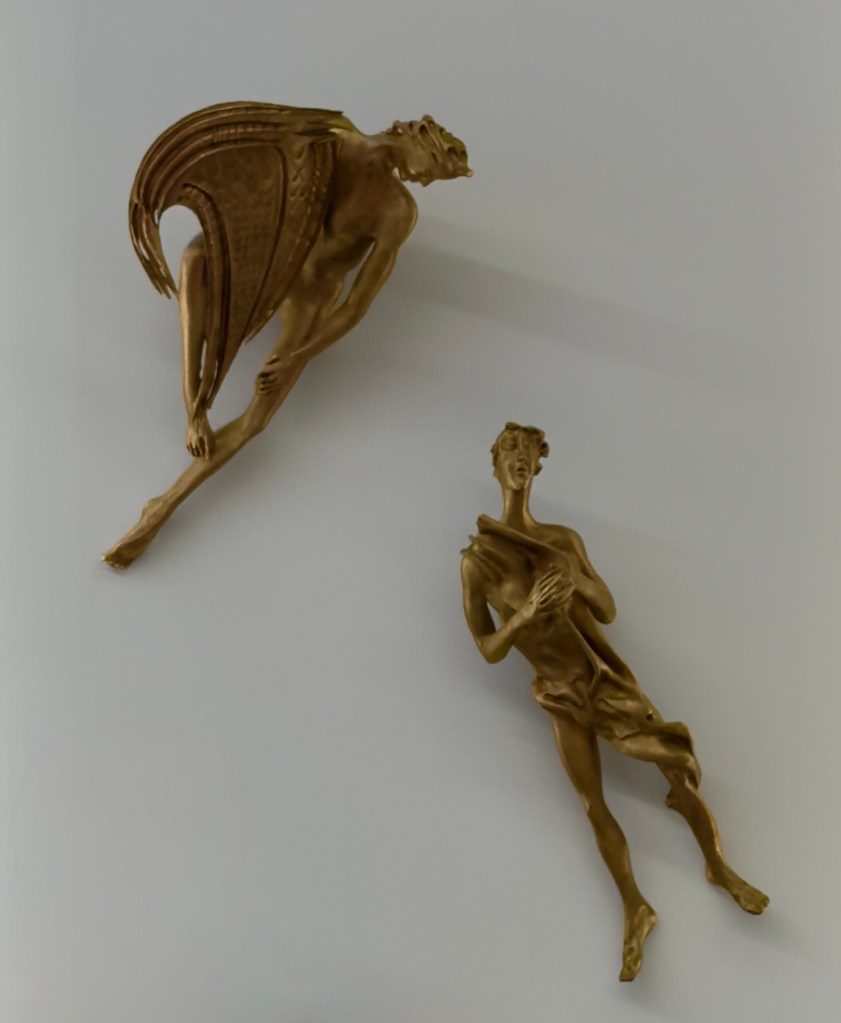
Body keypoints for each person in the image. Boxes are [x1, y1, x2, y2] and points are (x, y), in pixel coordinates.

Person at [460, 422, 768, 981]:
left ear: (538, 467)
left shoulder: (562, 540)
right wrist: (525, 615)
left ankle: (719, 867)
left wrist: (574, 580)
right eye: (510, 449)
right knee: (592, 803)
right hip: (558, 693)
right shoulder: (479, 559)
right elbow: (487, 647)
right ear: (495, 462)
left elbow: (607, 608)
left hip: (606, 682)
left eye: (528, 452)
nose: (520, 458)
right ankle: (635, 907)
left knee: (675, 764)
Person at [104, 104, 470, 567]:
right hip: (273, 259)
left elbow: (356, 305)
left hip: (311, 298)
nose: (427, 183)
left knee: (256, 420)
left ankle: (162, 507)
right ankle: (194, 403)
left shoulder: (398, 210)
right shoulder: (328, 137)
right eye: (435, 170)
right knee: (195, 259)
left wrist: (300, 355)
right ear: (418, 134)